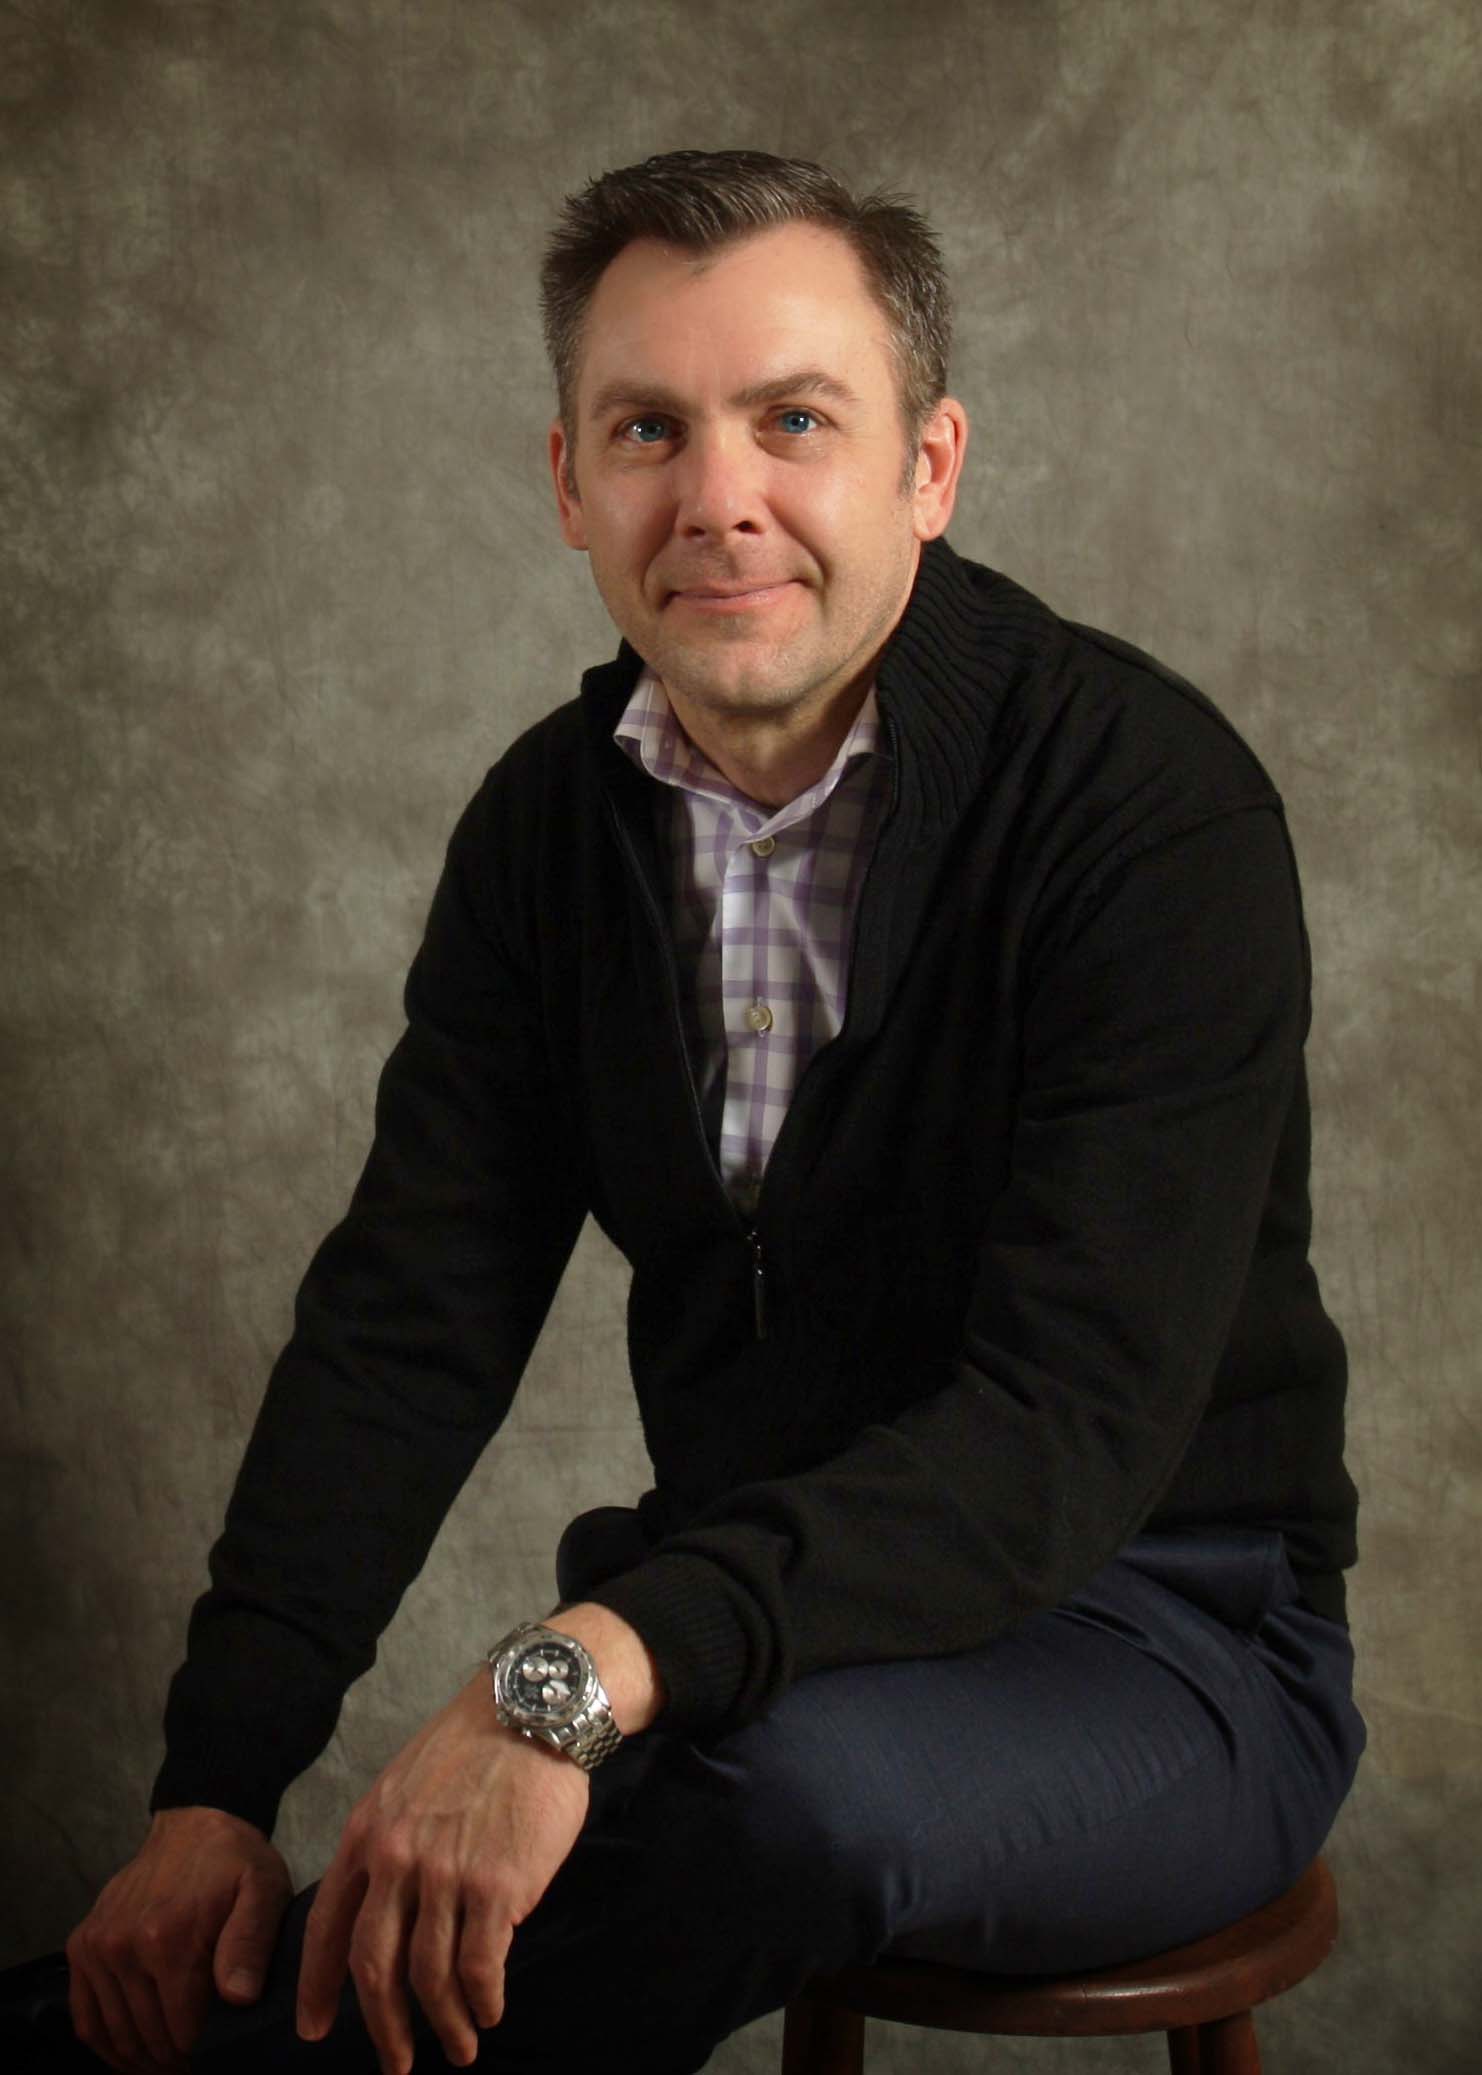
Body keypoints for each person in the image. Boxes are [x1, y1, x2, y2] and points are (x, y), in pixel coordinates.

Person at [59, 148, 1364, 2075]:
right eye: (648, 429)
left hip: (1166, 1641)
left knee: (773, 1807)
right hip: (757, 1624)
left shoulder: (1142, 810)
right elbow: (403, 1331)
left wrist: (569, 1673)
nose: (717, 497)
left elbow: (1055, 1434)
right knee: (615, 1820)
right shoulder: (546, 832)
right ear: (568, 484)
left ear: (929, 466)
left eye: (795, 421)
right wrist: (214, 1786)